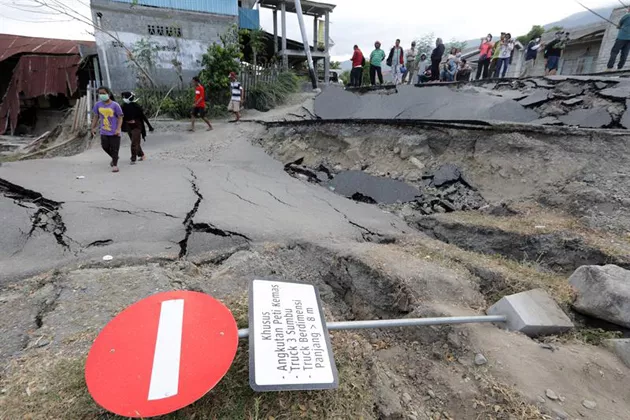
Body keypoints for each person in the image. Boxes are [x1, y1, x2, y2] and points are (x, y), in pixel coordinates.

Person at [91, 86, 123, 173]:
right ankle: (114, 157)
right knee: (105, 147)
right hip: (104, 131)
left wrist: (118, 129)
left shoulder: (115, 105)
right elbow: (96, 117)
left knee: (115, 148)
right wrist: (92, 127)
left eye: (103, 93)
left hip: (114, 132)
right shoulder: (98, 105)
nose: (102, 95)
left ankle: (115, 165)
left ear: (108, 94)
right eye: (100, 94)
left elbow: (120, 118)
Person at [121, 91, 153, 165]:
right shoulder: (122, 106)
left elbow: (143, 116)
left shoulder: (136, 106)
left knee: (134, 143)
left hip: (137, 126)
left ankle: (133, 158)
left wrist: (149, 126)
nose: (124, 98)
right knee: (135, 141)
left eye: (125, 97)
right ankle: (142, 155)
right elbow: (121, 117)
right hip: (128, 126)